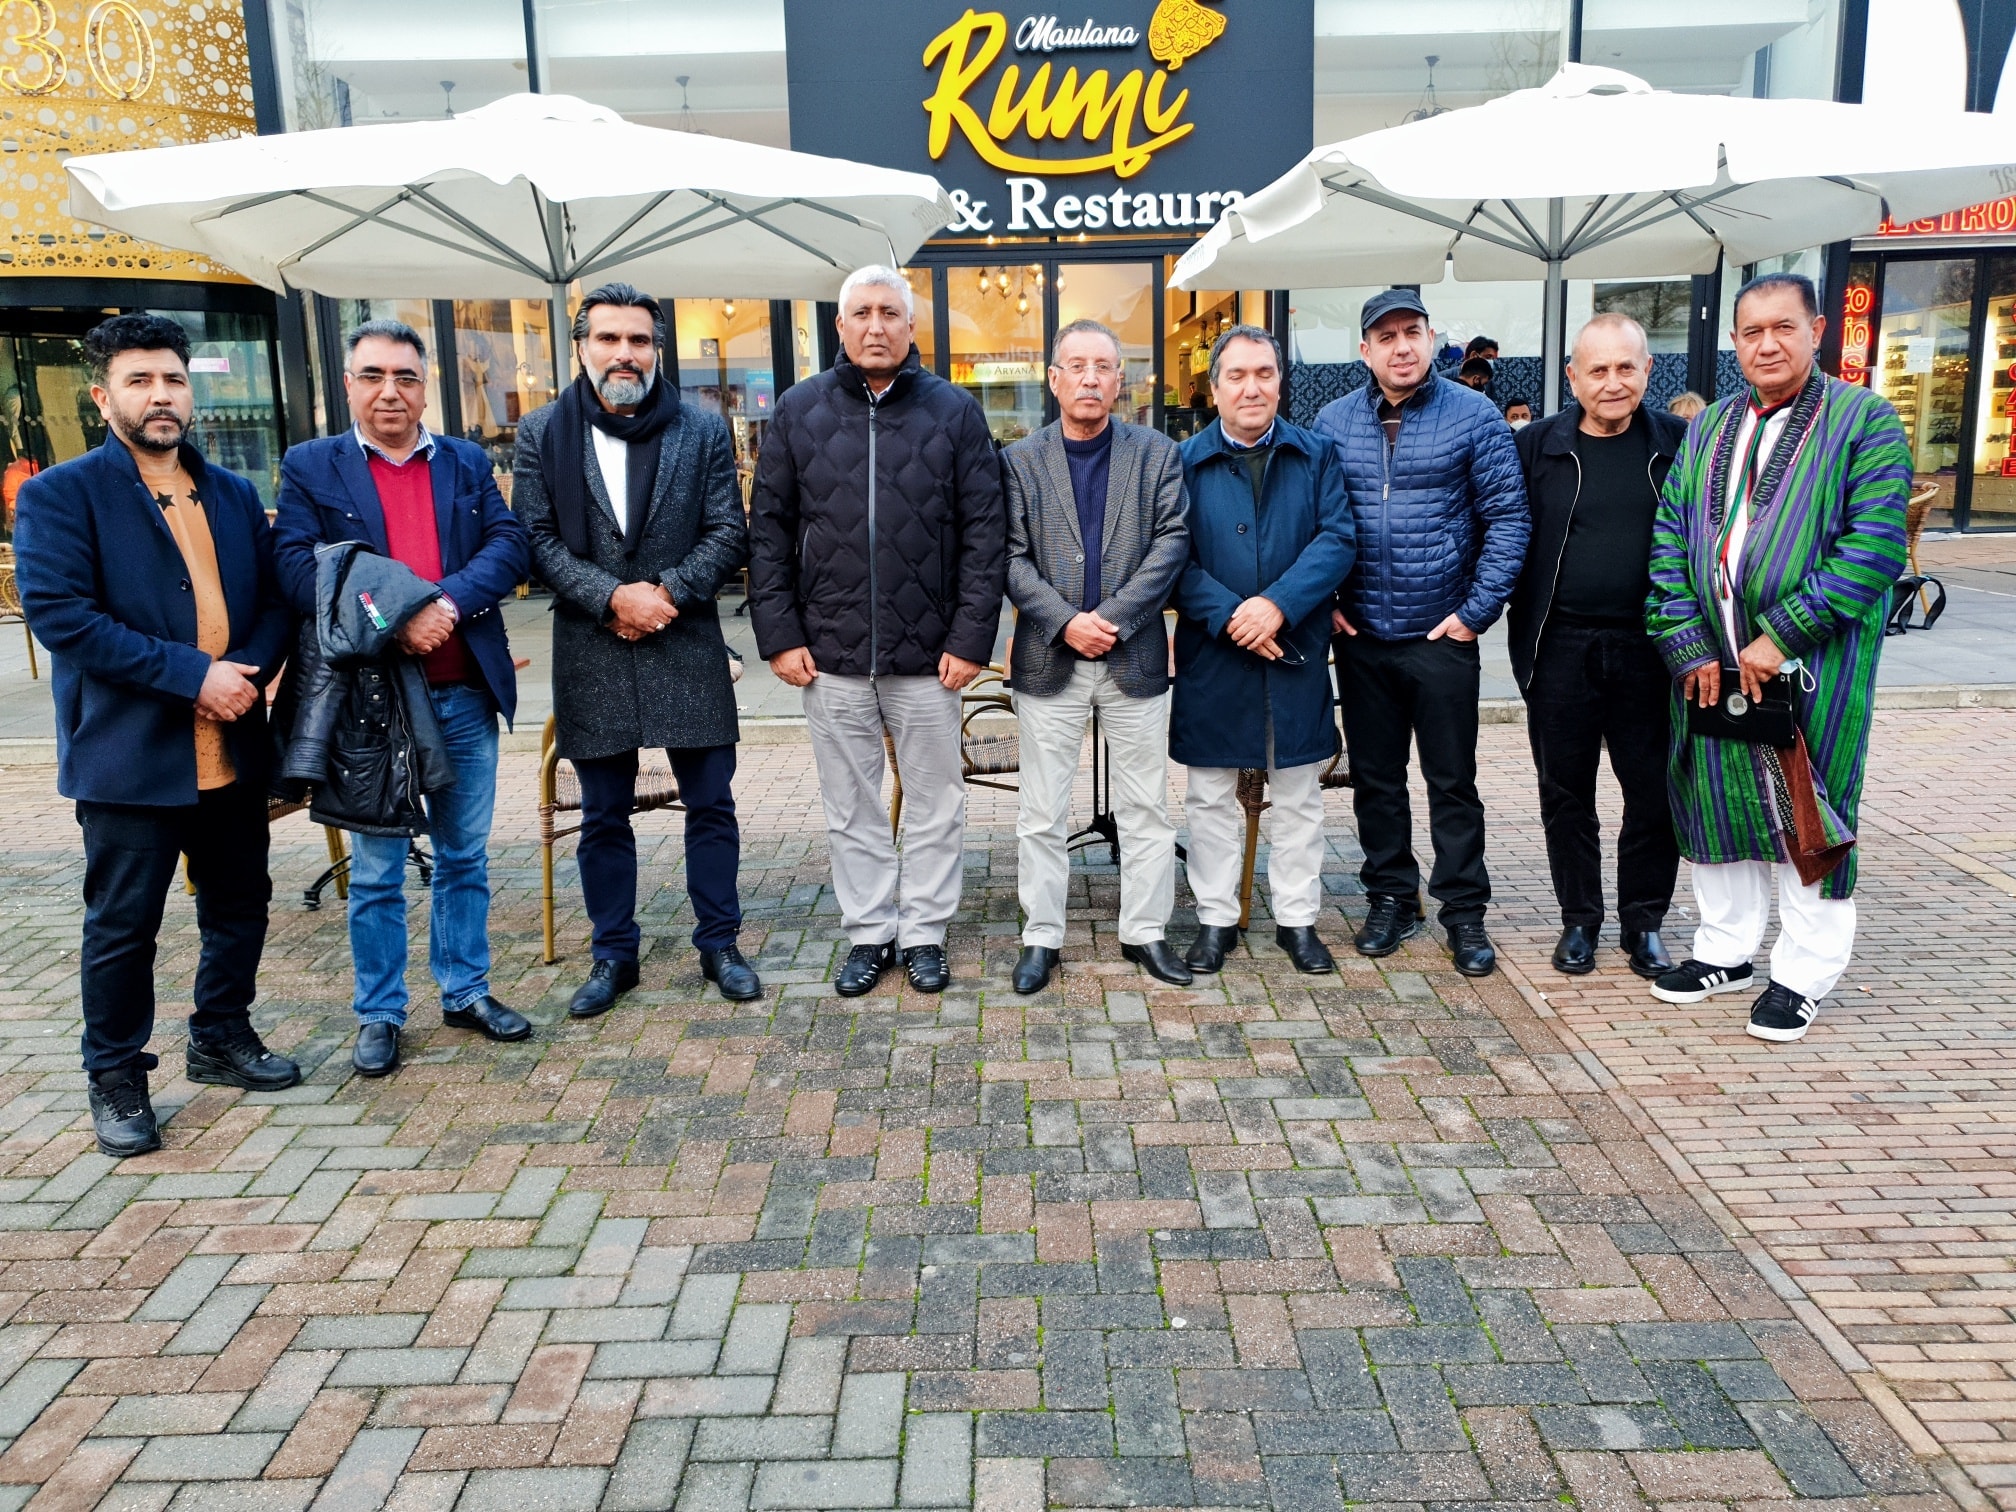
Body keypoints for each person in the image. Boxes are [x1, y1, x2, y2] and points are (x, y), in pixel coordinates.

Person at [15, 315, 298, 1156]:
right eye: (140, 381)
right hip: (131, 755)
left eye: (173, 379)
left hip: (234, 745)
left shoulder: (235, 492)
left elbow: (277, 601)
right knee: (123, 926)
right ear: (103, 397)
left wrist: (243, 670)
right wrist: (191, 677)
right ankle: (116, 1078)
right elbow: (63, 617)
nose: (161, 395)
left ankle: (220, 1036)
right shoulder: (60, 494)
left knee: (241, 903)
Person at [1646, 272, 1910, 1043]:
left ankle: (1801, 976)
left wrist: (1781, 634)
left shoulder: (1864, 421)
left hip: (1809, 667)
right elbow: (1669, 537)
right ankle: (1725, 953)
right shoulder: (1709, 426)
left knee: (1809, 812)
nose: (1767, 343)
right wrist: (1688, 640)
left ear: (1816, 329)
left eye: (1783, 328)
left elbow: (1873, 549)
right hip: (1708, 665)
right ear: (1733, 340)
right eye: (1751, 330)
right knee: (1716, 804)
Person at [274, 319, 531, 1078]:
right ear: (348, 384)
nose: (391, 391)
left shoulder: (462, 460)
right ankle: (380, 1012)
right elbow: (296, 570)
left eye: (407, 377)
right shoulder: (312, 467)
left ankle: (466, 990)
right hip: (371, 703)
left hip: (461, 690)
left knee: (465, 858)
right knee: (379, 870)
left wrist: (441, 603)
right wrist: (396, 614)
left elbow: (508, 544)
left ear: (425, 387)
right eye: (374, 375)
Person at [749, 266, 1007, 996]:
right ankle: (870, 932)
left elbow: (988, 536)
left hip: (931, 656)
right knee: (851, 806)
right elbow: (766, 531)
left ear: (912, 326)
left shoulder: (955, 413)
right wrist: (779, 632)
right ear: (839, 327)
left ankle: (923, 931)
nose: (875, 326)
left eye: (890, 312)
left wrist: (969, 639)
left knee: (936, 802)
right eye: (860, 313)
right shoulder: (799, 411)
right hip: (826, 652)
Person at [516, 284, 760, 1017]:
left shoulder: (701, 428)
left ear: (657, 349)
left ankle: (720, 942)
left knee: (711, 802)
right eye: (609, 339)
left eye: (640, 340)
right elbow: (536, 539)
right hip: (591, 643)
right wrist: (612, 598)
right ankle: (613, 953)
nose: (625, 353)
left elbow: (728, 532)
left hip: (685, 637)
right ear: (582, 347)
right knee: (601, 813)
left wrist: (664, 595)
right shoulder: (541, 432)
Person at [1313, 289, 1530, 976]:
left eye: (1413, 332)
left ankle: (1463, 913)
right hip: (1363, 634)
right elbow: (1312, 523)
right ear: (1365, 350)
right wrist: (1325, 603)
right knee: (1376, 778)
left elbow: (1509, 521)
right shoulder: (1331, 422)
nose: (1402, 346)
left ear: (1433, 338)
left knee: (1451, 781)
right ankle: (1391, 898)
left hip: (1441, 636)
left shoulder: (1475, 416)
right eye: (1387, 336)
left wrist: (1474, 614)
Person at [1002, 319, 1191, 993]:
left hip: (1132, 655)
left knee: (1146, 808)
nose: (1089, 377)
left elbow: (1172, 543)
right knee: (1042, 811)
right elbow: (1010, 559)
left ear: (1120, 380)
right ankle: (1041, 937)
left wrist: (1108, 619)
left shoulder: (1157, 454)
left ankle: (1146, 932)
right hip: (1048, 660)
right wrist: (1065, 622)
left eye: (1103, 366)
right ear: (1054, 380)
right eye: (1075, 366)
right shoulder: (1020, 461)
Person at [1175, 325, 1356, 975]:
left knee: (1300, 794)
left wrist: (1277, 604)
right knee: (1210, 795)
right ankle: (1216, 919)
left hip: (1294, 647)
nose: (1252, 387)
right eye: (1238, 375)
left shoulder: (1318, 455)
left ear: (1281, 380)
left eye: (1265, 373)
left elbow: (1337, 539)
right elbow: (1171, 557)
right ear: (1214, 387)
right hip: (1213, 653)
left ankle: (1297, 921)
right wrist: (1230, 614)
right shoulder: (1182, 462)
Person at [1508, 314, 1684, 980]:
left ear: (1646, 370)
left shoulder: (1679, 446)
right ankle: (1580, 920)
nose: (1613, 383)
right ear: (1573, 375)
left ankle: (1644, 923)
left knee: (1653, 793)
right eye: (1598, 369)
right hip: (1559, 646)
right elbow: (1499, 532)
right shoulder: (1537, 448)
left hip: (1654, 648)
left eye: (1626, 367)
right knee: (1565, 793)